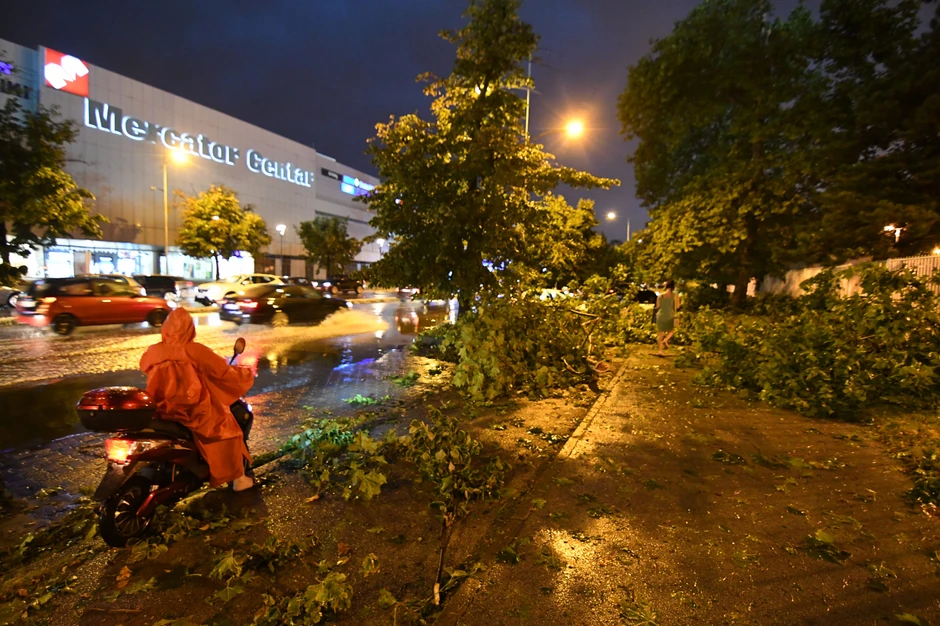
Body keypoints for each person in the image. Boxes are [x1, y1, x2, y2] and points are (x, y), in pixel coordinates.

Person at [140, 308, 255, 491]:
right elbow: (225, 373)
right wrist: (246, 372)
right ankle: (239, 479)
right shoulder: (197, 351)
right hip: (194, 410)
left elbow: (144, 366)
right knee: (227, 432)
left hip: (161, 409)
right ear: (189, 329)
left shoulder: (154, 351)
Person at [655, 280, 679, 357]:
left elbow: (658, 306)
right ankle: (665, 340)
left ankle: (660, 351)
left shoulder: (660, 296)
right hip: (670, 315)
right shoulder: (675, 295)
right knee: (671, 330)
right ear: (673, 287)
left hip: (661, 315)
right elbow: (677, 306)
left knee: (661, 333)